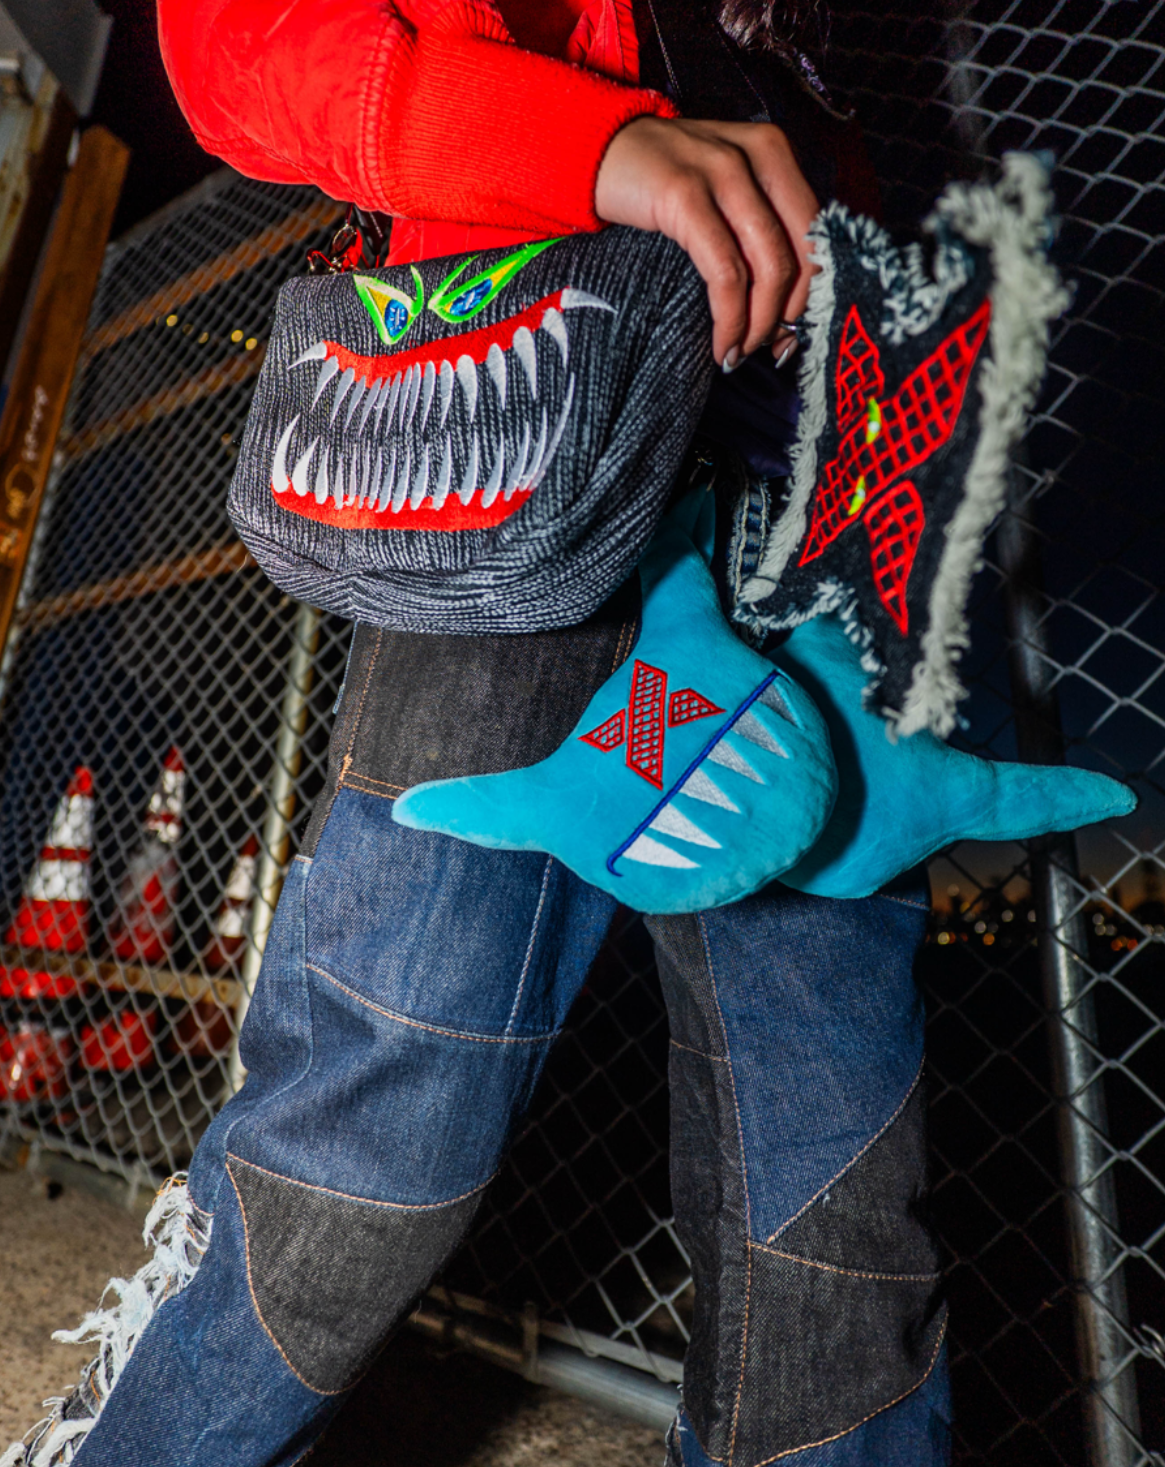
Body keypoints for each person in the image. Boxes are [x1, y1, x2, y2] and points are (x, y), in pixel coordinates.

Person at [7, 3, 955, 1464]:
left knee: (834, 1163)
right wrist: (599, 146)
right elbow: (235, 48)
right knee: (381, 1105)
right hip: (530, 406)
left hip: (818, 459)